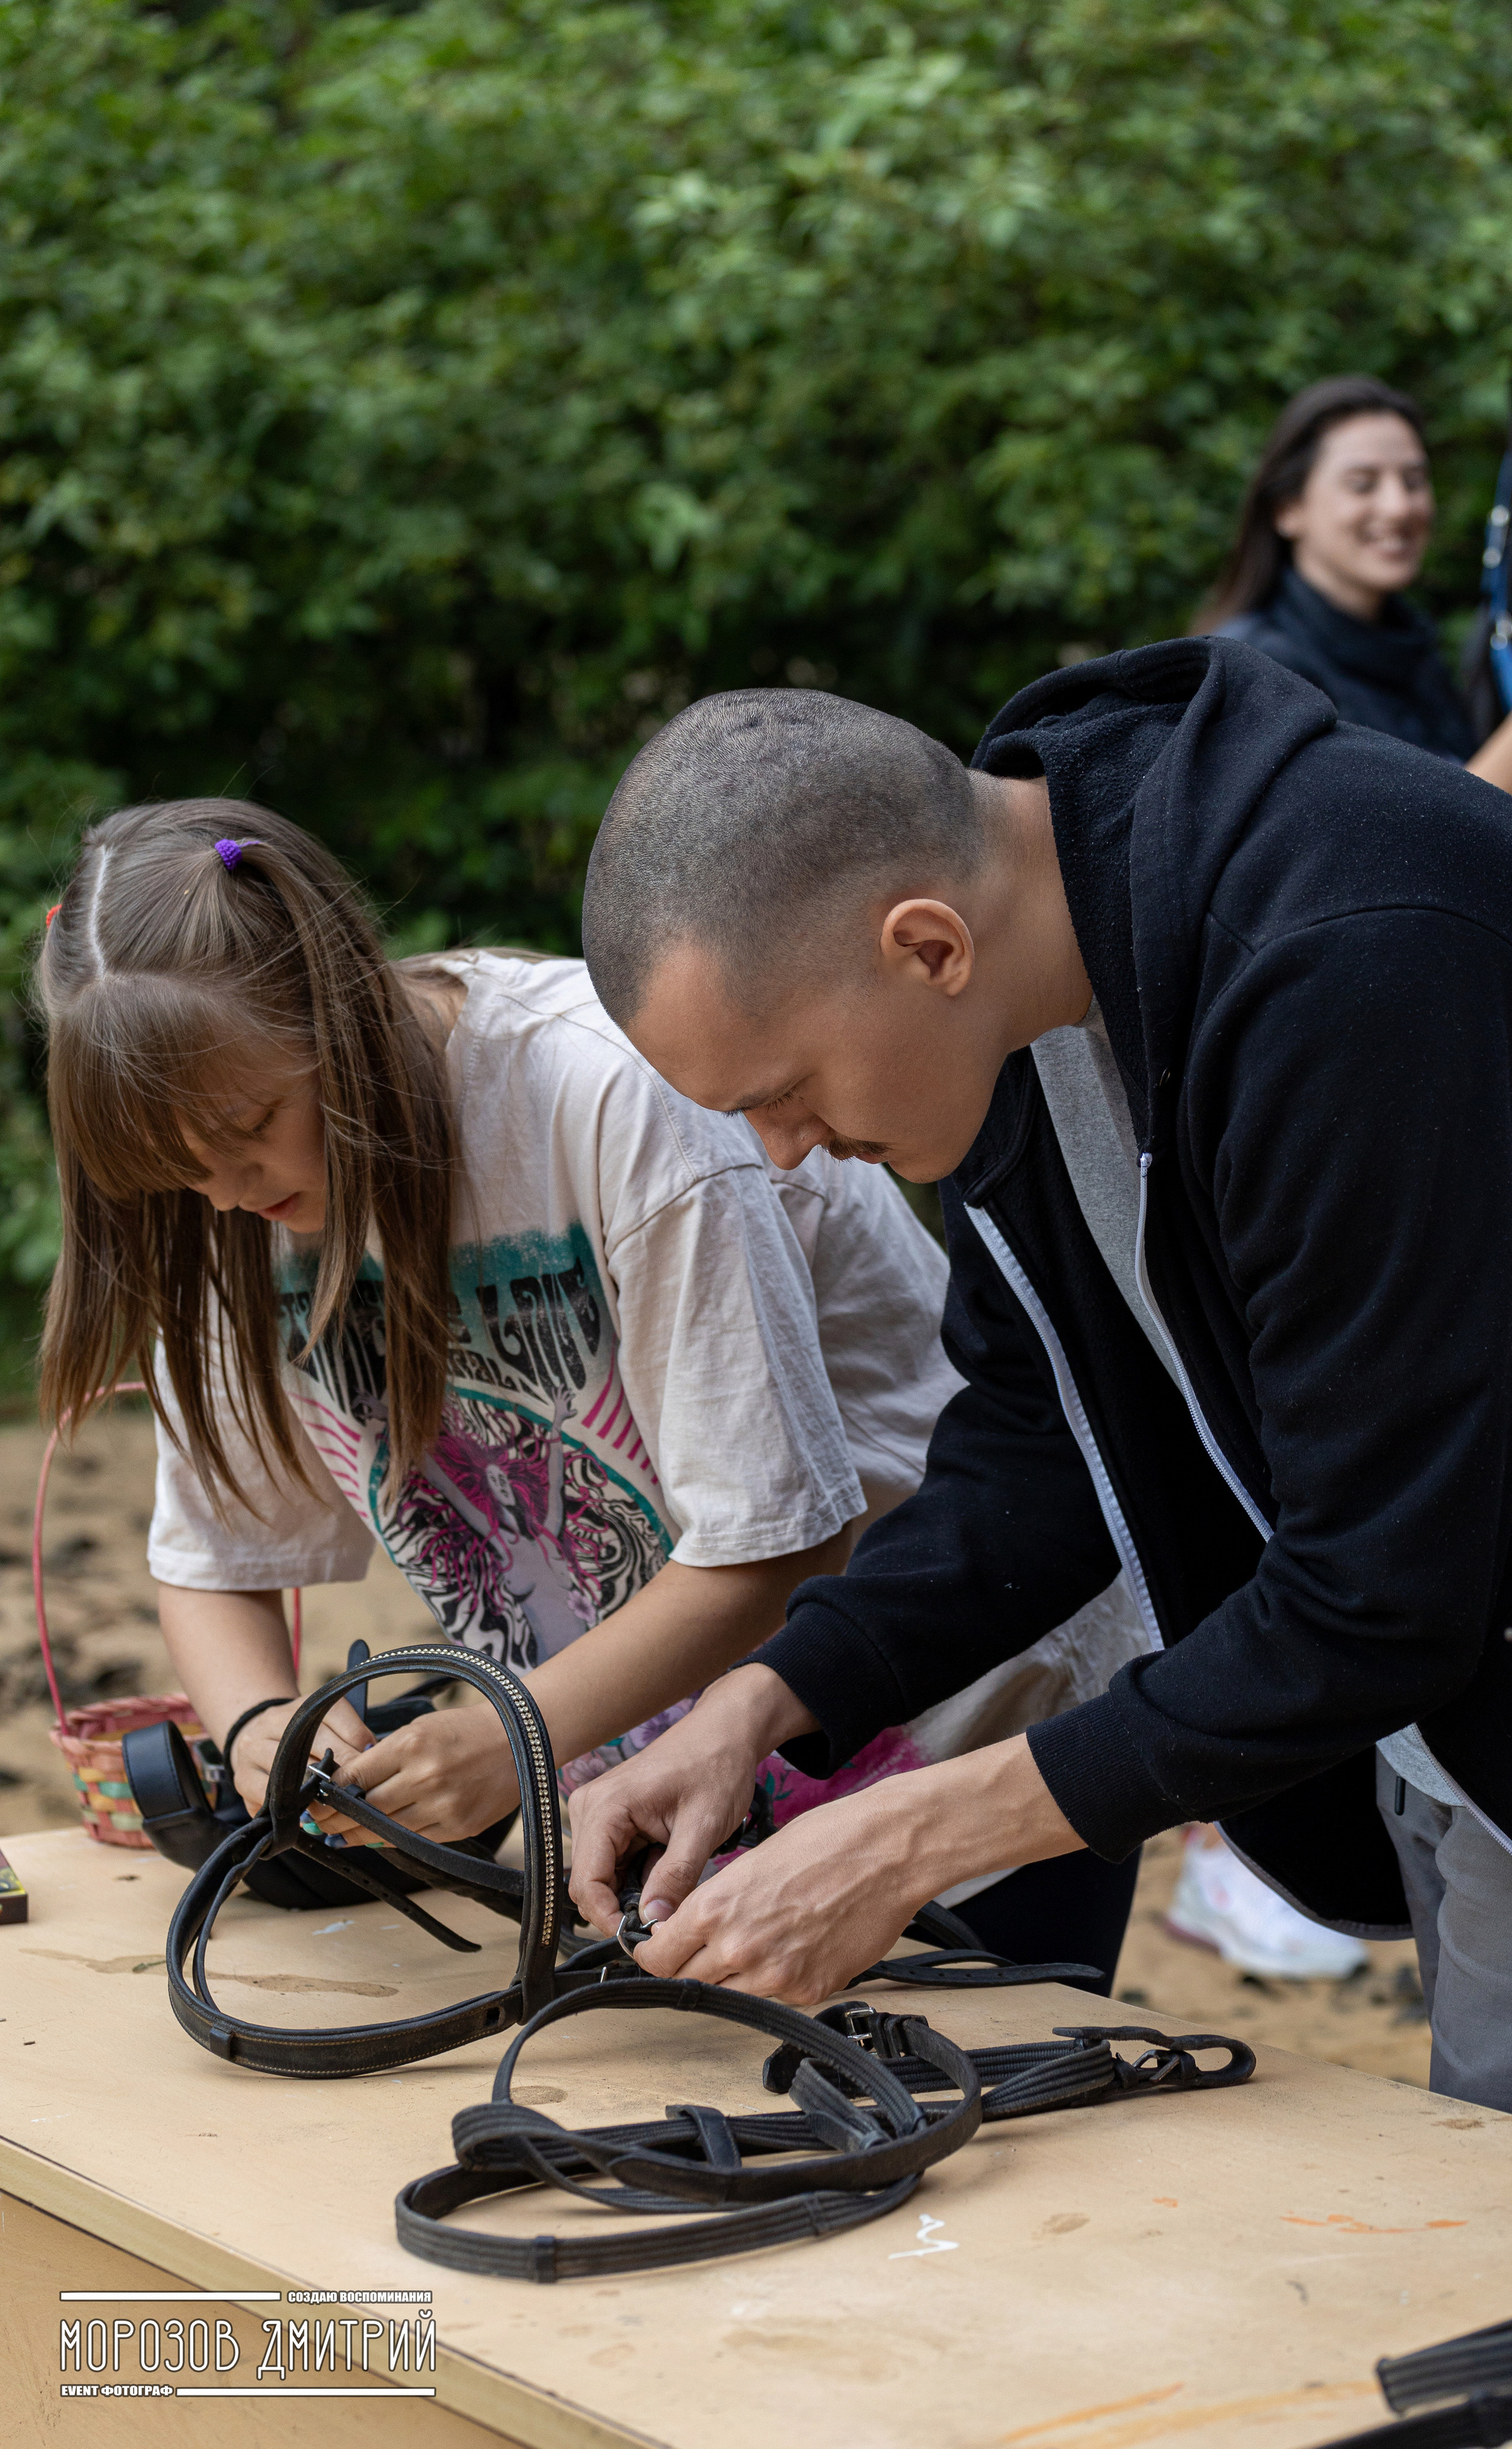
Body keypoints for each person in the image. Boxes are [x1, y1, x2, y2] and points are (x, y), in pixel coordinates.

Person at [564, 666, 1512, 2143]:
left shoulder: (1340, 947)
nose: (784, 1150)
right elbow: (1039, 1441)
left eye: (787, 1088)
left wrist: (907, 1838)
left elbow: (1376, 1590)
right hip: (1450, 1705)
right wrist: (767, 1700)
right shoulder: (1028, 985)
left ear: (925, 945)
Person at [33, 798, 1143, 1979]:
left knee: (979, 2084)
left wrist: (512, 1734)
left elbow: (776, 1543)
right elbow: (215, 1565)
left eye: (251, 1125)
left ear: (337, 1016)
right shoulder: (225, 1210)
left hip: (951, 1744)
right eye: (174, 1170)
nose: (221, 1190)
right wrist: (266, 1733)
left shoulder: (606, 1095)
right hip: (650, 1796)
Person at [1200, 374, 1512, 807]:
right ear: (1287, 509)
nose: (1399, 507)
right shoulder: (1253, 675)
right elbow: (1389, 846)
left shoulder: (1412, 656)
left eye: (1413, 480)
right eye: (1362, 484)